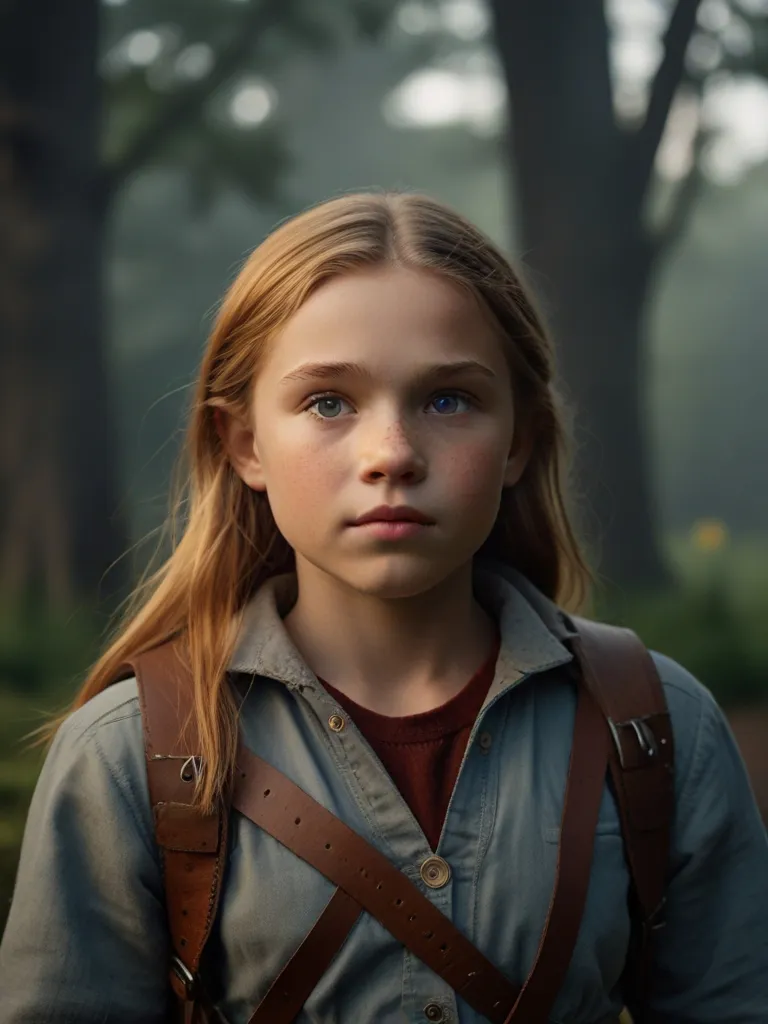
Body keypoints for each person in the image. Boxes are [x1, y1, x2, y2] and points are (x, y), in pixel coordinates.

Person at [1, 191, 766, 1023]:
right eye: (328, 402)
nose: (392, 455)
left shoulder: (660, 729)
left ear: (519, 440)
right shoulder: (128, 756)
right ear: (246, 443)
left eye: (448, 400)